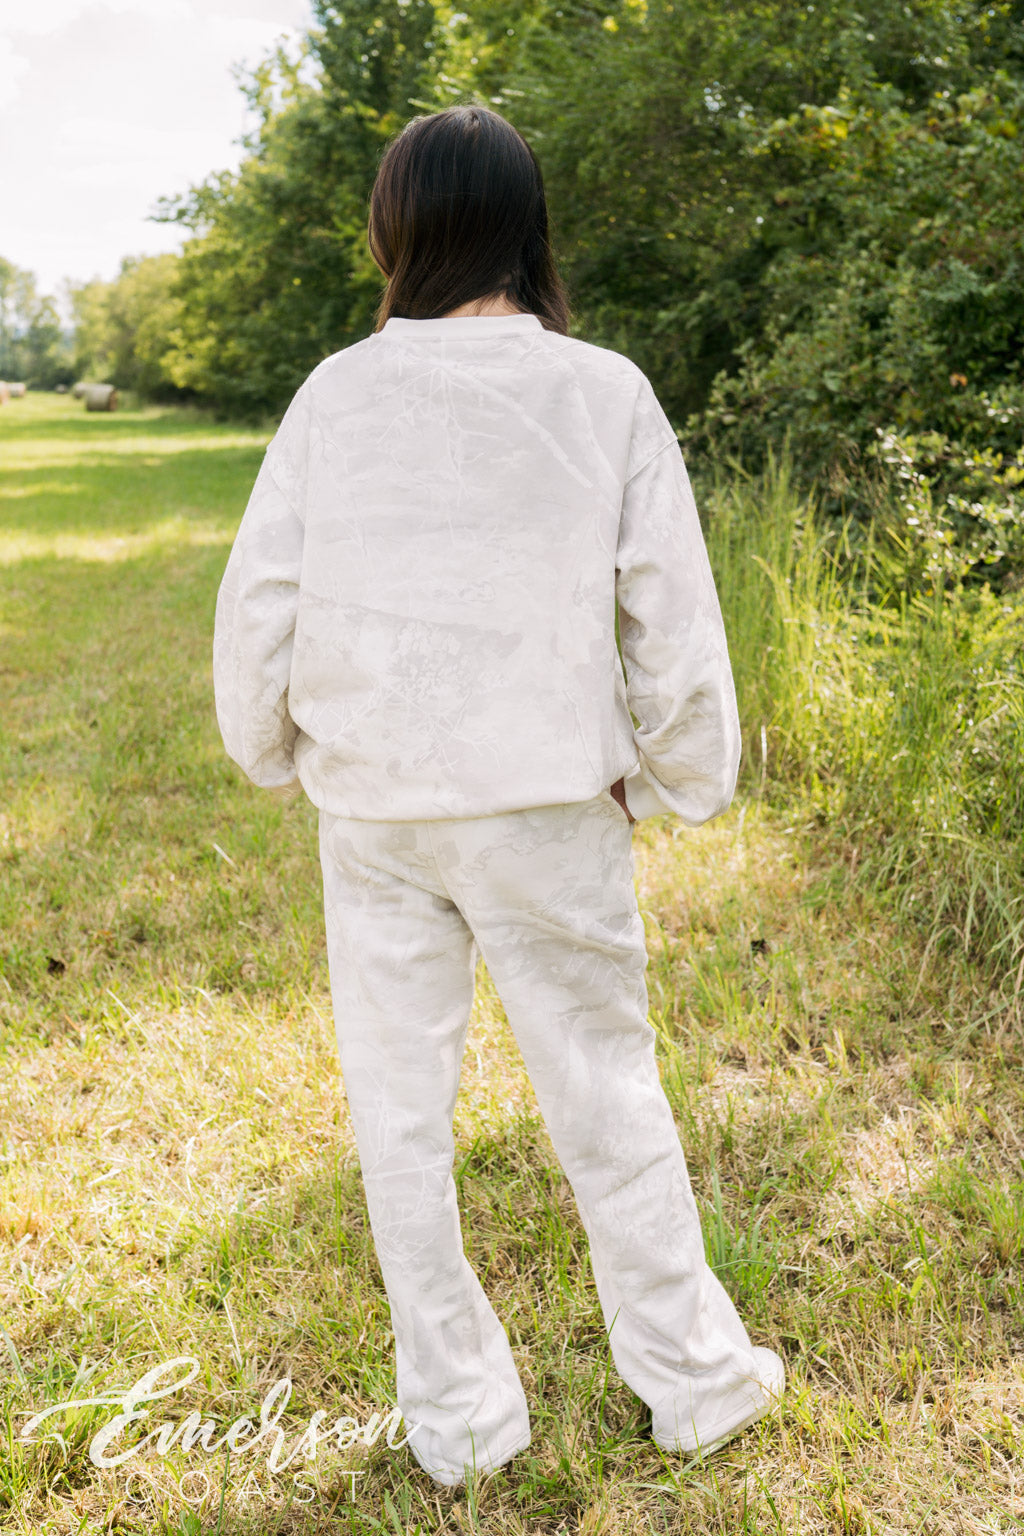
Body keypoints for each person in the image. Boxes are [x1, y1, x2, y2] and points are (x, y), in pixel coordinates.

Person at [212, 101, 785, 1489]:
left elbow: (261, 602)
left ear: (395, 230)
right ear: (528, 227)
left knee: (399, 1116)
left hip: (379, 812)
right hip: (548, 805)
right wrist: (673, 776)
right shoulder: (605, 390)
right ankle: (695, 1382)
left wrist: (276, 748)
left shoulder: (336, 394)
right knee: (605, 1088)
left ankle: (461, 1419)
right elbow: (670, 614)